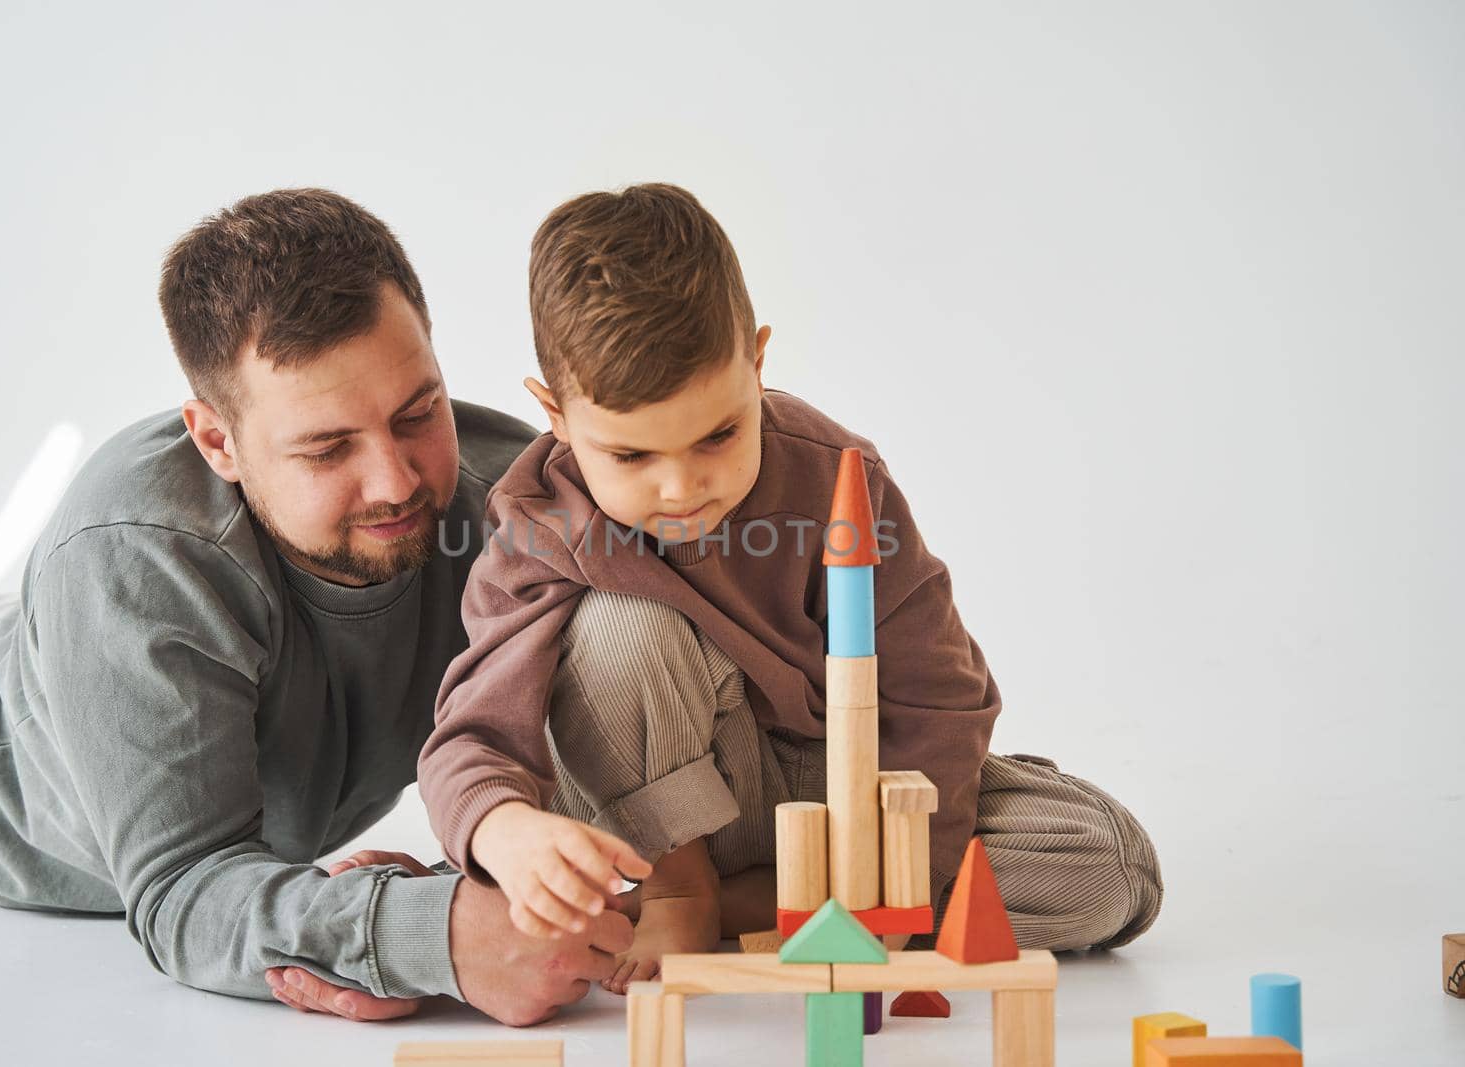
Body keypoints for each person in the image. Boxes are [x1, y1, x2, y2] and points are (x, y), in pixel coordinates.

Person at [0, 187, 633, 1025]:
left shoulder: (514, 505)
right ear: (217, 441)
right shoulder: (133, 557)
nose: (397, 481)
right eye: (327, 448)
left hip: (36, 639)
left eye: (418, 412)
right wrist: (426, 932)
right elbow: (184, 893)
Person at [418, 183, 1164, 992]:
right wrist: (504, 829)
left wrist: (906, 885)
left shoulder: (836, 473)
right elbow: (472, 735)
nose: (681, 487)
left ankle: (764, 904)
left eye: (719, 434)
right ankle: (677, 891)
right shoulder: (535, 524)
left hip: (835, 797)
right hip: (650, 803)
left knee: (1109, 865)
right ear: (555, 414)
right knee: (619, 627)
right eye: (632, 457)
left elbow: (938, 694)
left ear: (758, 362)